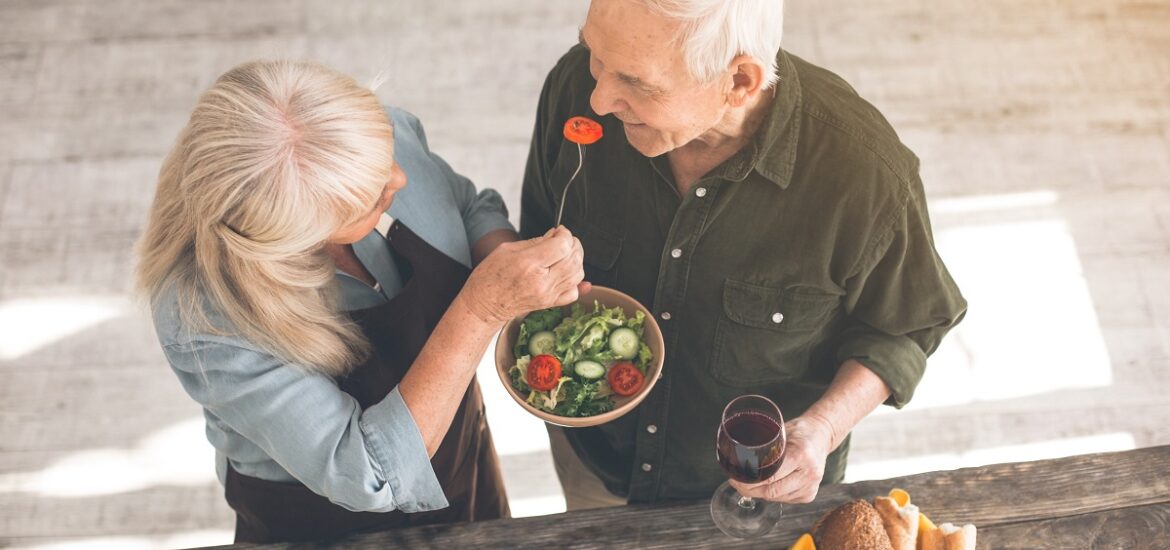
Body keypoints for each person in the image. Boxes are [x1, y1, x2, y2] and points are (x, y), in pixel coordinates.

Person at [520, 0, 967, 509]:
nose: (598, 99)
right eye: (593, 55)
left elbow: (906, 327)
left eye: (637, 83)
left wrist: (822, 428)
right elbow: (538, 230)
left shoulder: (865, 174)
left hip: (760, 493)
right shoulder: (573, 88)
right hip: (594, 464)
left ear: (739, 82)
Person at [136, 59, 586, 542]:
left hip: (459, 465)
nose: (399, 179)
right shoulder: (206, 317)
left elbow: (467, 204)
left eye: (386, 153)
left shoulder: (362, 140)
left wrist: (511, 265)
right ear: (292, 235)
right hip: (323, 523)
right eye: (374, 198)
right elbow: (370, 472)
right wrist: (480, 309)